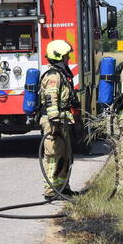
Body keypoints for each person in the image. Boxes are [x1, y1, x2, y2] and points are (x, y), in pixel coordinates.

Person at [39, 40, 77, 200]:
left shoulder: (60, 74)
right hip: (53, 122)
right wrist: (54, 121)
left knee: (65, 155)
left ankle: (63, 187)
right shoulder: (53, 76)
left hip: (62, 120)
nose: (68, 58)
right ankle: (51, 190)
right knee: (54, 155)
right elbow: (51, 99)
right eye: (66, 56)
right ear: (59, 57)